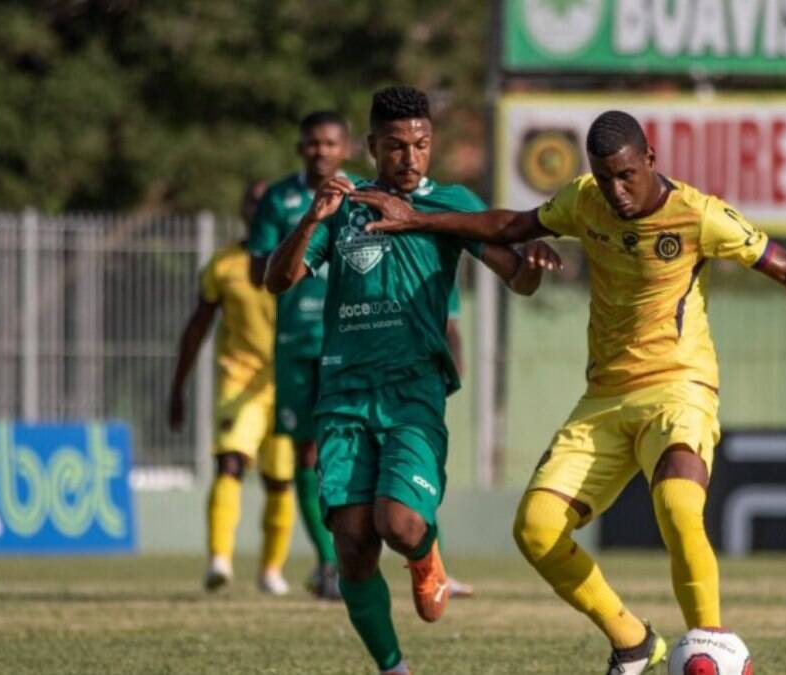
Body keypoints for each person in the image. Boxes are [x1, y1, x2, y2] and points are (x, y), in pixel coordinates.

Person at [359, 110, 786, 675]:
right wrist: (418, 221)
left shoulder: (699, 215)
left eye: (626, 175)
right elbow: (510, 227)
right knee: (536, 530)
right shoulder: (583, 201)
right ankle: (634, 643)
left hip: (680, 387)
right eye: (604, 178)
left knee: (676, 503)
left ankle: (711, 643)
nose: (616, 191)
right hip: (604, 399)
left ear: (650, 160)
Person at [264, 86, 559, 674]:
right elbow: (278, 279)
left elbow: (516, 278)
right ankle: (393, 668)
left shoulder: (449, 203)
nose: (410, 157)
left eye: (421, 145)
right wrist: (311, 219)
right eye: (396, 146)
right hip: (344, 391)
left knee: (396, 523)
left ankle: (426, 557)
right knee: (351, 541)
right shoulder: (344, 206)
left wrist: (533, 266)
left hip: (413, 388)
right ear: (372, 146)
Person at [247, 111, 357, 598]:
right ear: (301, 148)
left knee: (349, 449)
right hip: (296, 345)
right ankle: (331, 563)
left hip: (349, 340)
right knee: (307, 453)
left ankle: (357, 555)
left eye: (330, 143)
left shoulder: (361, 198)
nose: (321, 151)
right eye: (312, 144)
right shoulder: (280, 199)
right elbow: (258, 273)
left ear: (345, 149)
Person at [169, 180, 297, 595]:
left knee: (280, 480)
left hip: (286, 382)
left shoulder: (299, 259)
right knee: (230, 464)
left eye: (265, 201)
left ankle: (271, 570)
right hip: (237, 378)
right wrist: (178, 387)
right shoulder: (224, 264)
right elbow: (197, 327)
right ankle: (219, 560)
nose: (257, 207)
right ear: (243, 209)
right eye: (251, 200)